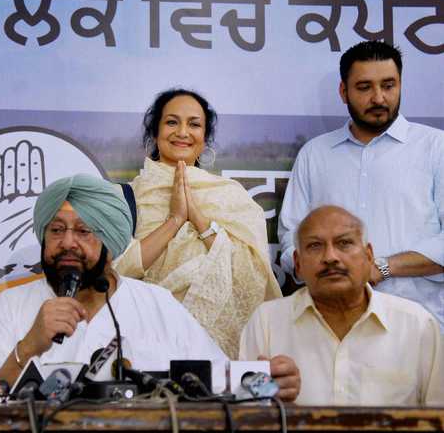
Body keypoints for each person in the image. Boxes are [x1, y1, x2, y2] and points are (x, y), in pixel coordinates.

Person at [0, 174, 300, 400]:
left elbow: (216, 382)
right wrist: (28, 347)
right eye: (56, 230)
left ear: (112, 243)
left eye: (84, 231)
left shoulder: (157, 304)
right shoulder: (11, 306)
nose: (67, 242)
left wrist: (268, 383)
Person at [278, 41, 444, 331]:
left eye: (389, 86)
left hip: (420, 326)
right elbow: (291, 236)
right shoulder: (315, 154)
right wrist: (314, 263)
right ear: (344, 91)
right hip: (329, 326)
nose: (379, 98)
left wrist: (381, 267)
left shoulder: (435, 147)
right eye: (365, 87)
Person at [113, 88, 281, 358]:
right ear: (155, 133)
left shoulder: (231, 196)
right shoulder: (124, 198)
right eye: (172, 122)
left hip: (218, 352)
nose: (182, 132)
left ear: (204, 139)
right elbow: (116, 270)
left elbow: (253, 278)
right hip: (143, 343)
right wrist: (175, 220)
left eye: (194, 124)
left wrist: (197, 216)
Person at [241, 206, 443, 405]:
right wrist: (268, 395)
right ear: (298, 263)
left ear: (369, 256)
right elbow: (242, 409)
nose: (330, 257)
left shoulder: (417, 325)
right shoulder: (267, 321)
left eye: (344, 243)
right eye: (315, 246)